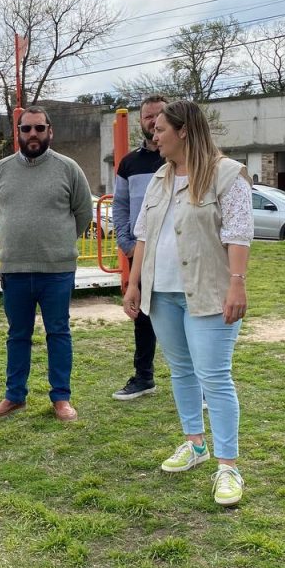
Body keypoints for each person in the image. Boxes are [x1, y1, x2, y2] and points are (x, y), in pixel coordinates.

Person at [122, 100, 252, 507]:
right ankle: (194, 444)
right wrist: (134, 282)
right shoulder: (161, 176)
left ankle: (228, 466)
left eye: (160, 129)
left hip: (210, 293)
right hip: (162, 293)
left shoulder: (227, 175)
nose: (153, 136)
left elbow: (238, 234)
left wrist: (237, 284)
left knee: (214, 377)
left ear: (184, 131)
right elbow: (143, 234)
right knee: (181, 371)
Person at [0, 106, 92, 422]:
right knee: (17, 334)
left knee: (58, 332)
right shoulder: (0, 171)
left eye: (39, 128)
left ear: (50, 131)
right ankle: (14, 396)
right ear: (17, 132)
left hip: (57, 270)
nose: (33, 134)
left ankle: (61, 398)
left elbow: (83, 212)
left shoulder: (69, 168)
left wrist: (57, 242)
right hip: (14, 269)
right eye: (27, 129)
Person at [111, 95, 167, 400]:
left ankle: (200, 386)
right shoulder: (129, 163)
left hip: (176, 254)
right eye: (148, 116)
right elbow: (120, 206)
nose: (153, 121)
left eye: (160, 115)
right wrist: (126, 242)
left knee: (183, 315)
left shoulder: (180, 158)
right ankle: (144, 377)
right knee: (142, 317)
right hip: (141, 254)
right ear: (141, 121)